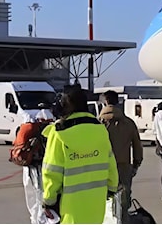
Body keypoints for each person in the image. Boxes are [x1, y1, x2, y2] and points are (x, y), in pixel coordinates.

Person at [41, 85, 119, 224]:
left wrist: (49, 200)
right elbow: (110, 163)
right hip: (96, 202)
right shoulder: (99, 129)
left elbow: (52, 171)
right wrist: (112, 188)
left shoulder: (59, 132)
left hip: (69, 206)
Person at [99, 90, 144, 223]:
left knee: (105, 199)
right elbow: (137, 145)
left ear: (105, 102)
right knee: (124, 200)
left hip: (103, 166)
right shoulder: (128, 123)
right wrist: (136, 164)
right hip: (124, 166)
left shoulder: (98, 123)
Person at [21, 110, 55, 224]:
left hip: (29, 168)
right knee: (41, 196)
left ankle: (34, 220)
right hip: (39, 169)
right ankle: (40, 220)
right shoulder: (49, 133)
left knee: (32, 197)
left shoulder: (31, 128)